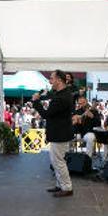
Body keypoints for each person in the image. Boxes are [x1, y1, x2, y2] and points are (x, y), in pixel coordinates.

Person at [32, 69, 74, 197]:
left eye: (51, 78)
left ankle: (67, 187)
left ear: (59, 80)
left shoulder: (62, 97)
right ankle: (60, 184)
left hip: (60, 133)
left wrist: (36, 102)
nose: (50, 81)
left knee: (58, 161)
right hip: (60, 132)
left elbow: (47, 114)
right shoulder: (62, 93)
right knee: (56, 161)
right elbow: (51, 98)